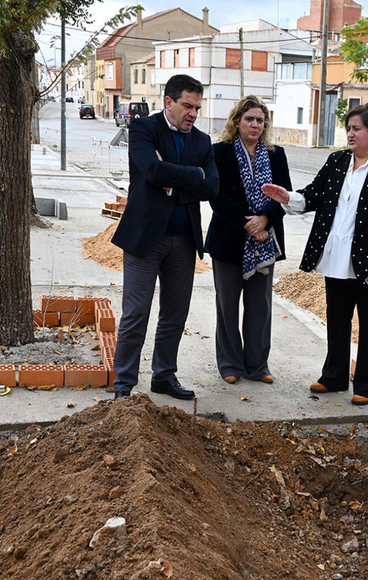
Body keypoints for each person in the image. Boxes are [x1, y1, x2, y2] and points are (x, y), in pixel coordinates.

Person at [262, 102, 368, 406]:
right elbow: (315, 194)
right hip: (336, 258)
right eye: (348, 128)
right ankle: (334, 377)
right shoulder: (338, 160)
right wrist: (288, 197)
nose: (350, 134)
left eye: (357, 129)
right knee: (337, 320)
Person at [110, 74, 219, 400]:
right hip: (145, 238)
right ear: (168, 102)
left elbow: (212, 186)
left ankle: (164, 376)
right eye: (187, 105)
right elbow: (151, 171)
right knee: (135, 314)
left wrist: (173, 179)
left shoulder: (202, 141)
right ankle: (124, 385)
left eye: (198, 107)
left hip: (184, 241)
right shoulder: (145, 128)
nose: (193, 114)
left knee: (174, 315)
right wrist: (192, 175)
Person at [205, 96, 293, 385]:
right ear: (237, 121)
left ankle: (257, 365)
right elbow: (217, 197)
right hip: (229, 240)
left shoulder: (276, 154)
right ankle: (230, 363)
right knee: (227, 305)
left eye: (260, 120)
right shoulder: (219, 152)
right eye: (249, 119)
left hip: (265, 241)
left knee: (260, 307)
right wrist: (250, 224)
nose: (255, 124)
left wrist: (265, 219)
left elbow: (285, 195)